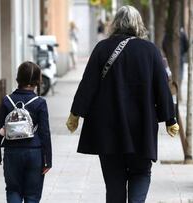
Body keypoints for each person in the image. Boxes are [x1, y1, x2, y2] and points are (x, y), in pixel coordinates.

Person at [66, 6, 179, 203]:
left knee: (114, 182)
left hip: (109, 130)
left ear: (115, 24)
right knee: (141, 173)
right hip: (141, 129)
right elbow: (162, 88)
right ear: (139, 24)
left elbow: (88, 84)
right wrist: (170, 119)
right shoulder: (150, 51)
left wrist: (76, 113)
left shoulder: (102, 49)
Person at [0, 61, 52, 203]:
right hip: (35, 153)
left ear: (18, 78)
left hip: (12, 152)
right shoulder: (40, 102)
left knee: (13, 190)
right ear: (38, 81)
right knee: (32, 195)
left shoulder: (7, 100)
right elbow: (45, 133)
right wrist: (47, 160)